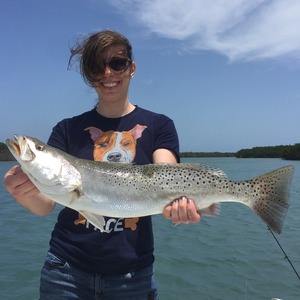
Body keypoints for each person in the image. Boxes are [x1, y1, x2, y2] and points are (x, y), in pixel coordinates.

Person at [4, 30, 201, 299]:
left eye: (117, 63)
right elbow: (45, 204)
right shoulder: (66, 129)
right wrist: (22, 192)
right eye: (97, 66)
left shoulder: (159, 125)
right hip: (64, 271)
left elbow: (168, 173)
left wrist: (180, 204)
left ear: (131, 68)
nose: (107, 73)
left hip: (133, 275)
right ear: (89, 74)